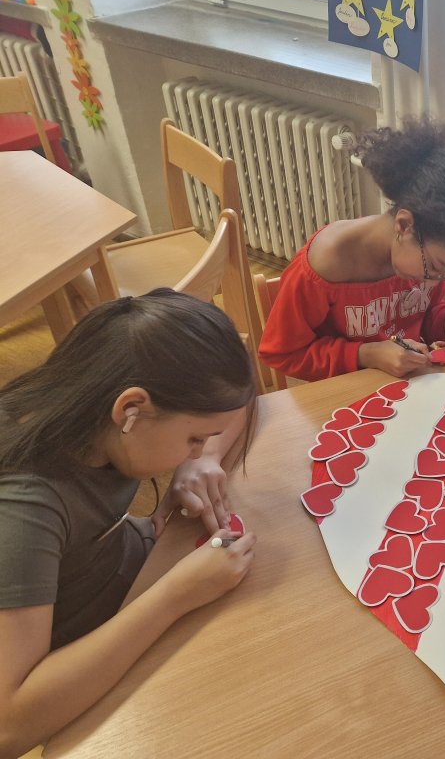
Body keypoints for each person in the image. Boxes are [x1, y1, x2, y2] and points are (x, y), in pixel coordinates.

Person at [0, 289, 258, 756]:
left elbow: (234, 401)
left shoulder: (98, 398)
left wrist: (199, 461)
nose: (200, 447)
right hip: (75, 666)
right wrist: (175, 594)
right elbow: (9, 726)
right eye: (195, 439)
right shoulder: (24, 509)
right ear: (130, 409)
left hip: (124, 580)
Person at [258, 117, 445, 382]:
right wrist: (365, 354)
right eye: (437, 268)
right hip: (345, 394)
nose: (434, 283)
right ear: (404, 225)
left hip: (405, 388)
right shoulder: (328, 262)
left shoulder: (423, 261)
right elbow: (282, 353)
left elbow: (423, 313)